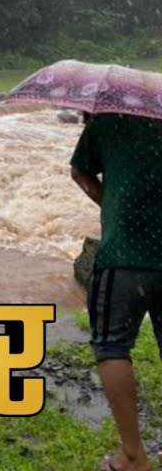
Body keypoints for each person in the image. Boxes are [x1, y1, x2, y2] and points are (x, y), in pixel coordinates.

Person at [71, 112, 162, 471]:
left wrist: (111, 203)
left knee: (111, 347)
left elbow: (80, 170)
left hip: (123, 255)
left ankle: (134, 456)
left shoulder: (106, 122)